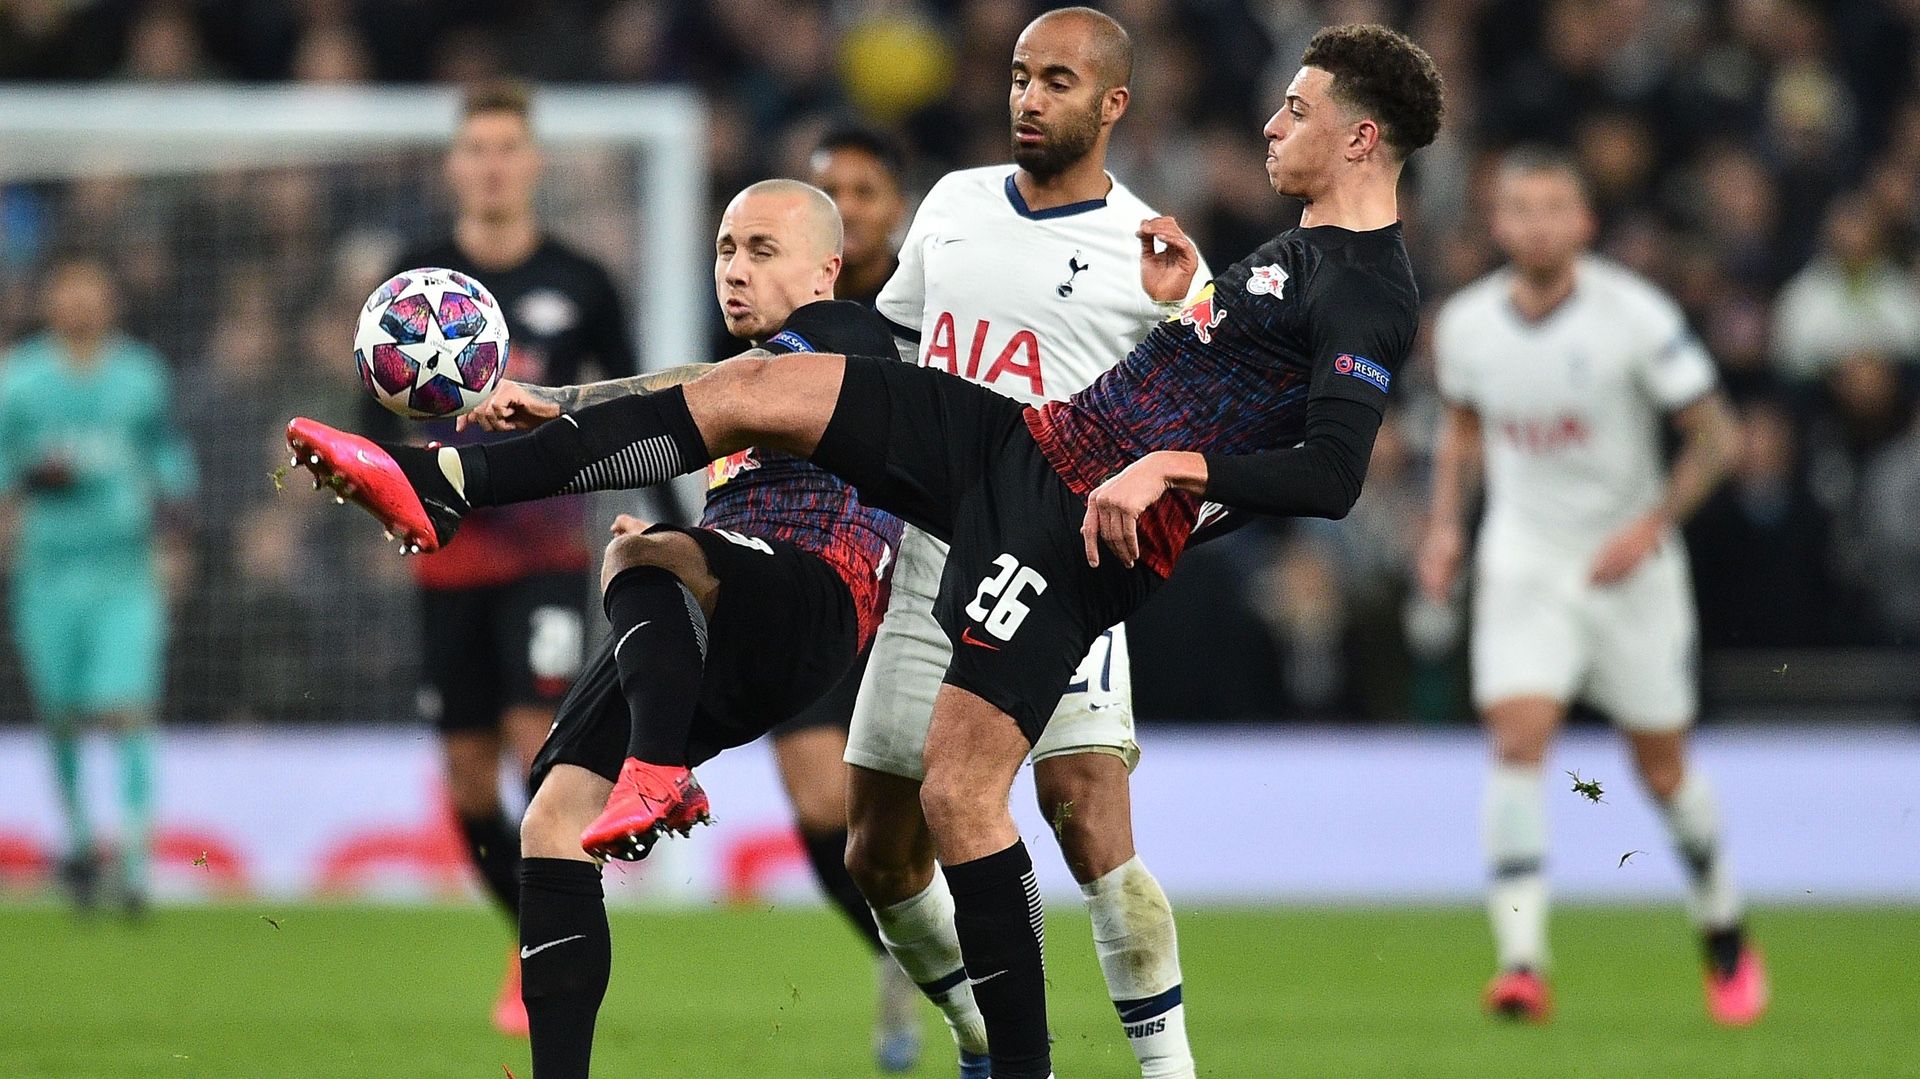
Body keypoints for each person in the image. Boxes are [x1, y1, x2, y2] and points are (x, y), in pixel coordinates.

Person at [288, 25, 1443, 1079]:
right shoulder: (1277, 252)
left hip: (1075, 527)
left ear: (1358, 134)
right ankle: (443, 483)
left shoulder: (1371, 288)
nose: (1270, 124)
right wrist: (1181, 307)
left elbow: (1333, 473)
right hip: (1023, 445)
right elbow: (1212, 380)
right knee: (760, 383)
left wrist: (1177, 473)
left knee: (963, 790)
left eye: (1294, 110)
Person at [450, 178, 907, 1079]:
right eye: (726, 250)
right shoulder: (747, 367)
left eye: (761, 252)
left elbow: (703, 401)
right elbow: (692, 388)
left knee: (647, 554)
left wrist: (527, 450)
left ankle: (660, 772)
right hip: (732, 610)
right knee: (551, 818)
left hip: (817, 595)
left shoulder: (851, 335)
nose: (734, 271)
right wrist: (569, 399)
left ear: (827, 267)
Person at [838, 10, 1210, 1078]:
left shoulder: (1152, 256)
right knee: (879, 848)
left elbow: (1210, 428)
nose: (1028, 98)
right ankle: (982, 1034)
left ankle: (1167, 1068)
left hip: (1059, 565)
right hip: (925, 558)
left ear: (1112, 104)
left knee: (1085, 809)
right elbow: (900, 356)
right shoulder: (952, 203)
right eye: (1017, 76)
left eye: (1056, 80)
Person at [1416, 147, 1766, 1026]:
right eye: (1518, 208)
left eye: (1553, 208)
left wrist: (1651, 524)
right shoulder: (1465, 325)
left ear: (1585, 223)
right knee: (1519, 738)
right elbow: (1462, 430)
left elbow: (1719, 435)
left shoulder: (1635, 316)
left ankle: (1721, 925)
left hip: (1630, 567)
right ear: (1496, 224)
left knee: (1660, 767)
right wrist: (1447, 524)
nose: (1535, 224)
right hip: (1526, 560)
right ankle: (1523, 962)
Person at [378, 81, 643, 1034]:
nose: (491, 163)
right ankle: (534, 923)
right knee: (462, 777)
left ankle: (543, 946)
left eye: (507, 147)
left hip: (543, 548)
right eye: (476, 147)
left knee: (540, 752)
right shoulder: (414, 280)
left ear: (532, 162)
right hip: (446, 556)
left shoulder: (581, 278)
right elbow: (376, 414)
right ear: (456, 164)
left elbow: (633, 405)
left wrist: (664, 523)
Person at [0, 253, 196, 917]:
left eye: (92, 288)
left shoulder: (141, 375)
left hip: (123, 570)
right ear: (49, 299)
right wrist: (28, 480)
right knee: (60, 711)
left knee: (126, 707)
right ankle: (81, 840)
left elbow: (168, 457)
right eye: (68, 289)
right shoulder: (19, 382)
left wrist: (175, 533)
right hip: (46, 571)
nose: (81, 301)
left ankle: (137, 861)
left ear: (110, 299)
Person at [802, 123, 928, 1071]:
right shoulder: (779, 311)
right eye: (827, 189)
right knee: (816, 804)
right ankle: (901, 948)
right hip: (806, 573)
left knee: (904, 817)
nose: (845, 205)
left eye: (863, 188)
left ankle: (934, 956)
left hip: (916, 582)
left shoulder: (934, 316)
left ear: (896, 208)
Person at [809, 125, 909, 307]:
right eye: (829, 192)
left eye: (864, 192)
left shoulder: (922, 306)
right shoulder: (779, 303)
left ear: (898, 209)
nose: (845, 210)